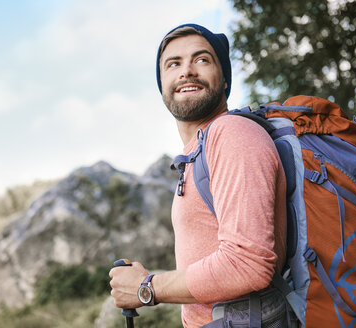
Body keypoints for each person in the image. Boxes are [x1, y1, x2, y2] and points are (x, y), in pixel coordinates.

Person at [109, 23, 287, 327]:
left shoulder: (232, 134)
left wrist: (147, 287)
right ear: (162, 84)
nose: (187, 71)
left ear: (226, 81)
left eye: (202, 60)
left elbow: (248, 264)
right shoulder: (198, 154)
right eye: (173, 64)